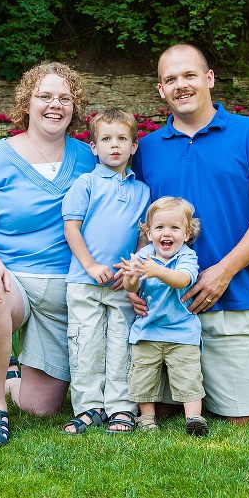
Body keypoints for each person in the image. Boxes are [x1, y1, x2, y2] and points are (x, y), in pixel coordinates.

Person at [130, 44, 249, 425]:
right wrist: (136, 278)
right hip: (165, 310)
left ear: (209, 79)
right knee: (162, 410)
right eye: (171, 79)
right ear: (160, 90)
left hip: (232, 300)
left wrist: (224, 271)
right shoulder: (147, 148)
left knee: (239, 418)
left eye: (189, 75)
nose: (181, 85)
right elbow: (141, 222)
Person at [0, 61, 96, 446]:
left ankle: (8, 370)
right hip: (7, 273)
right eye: (45, 96)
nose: (55, 105)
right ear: (27, 102)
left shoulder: (90, 157)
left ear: (75, 106)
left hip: (63, 288)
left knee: (42, 407)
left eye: (65, 98)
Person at [60, 107, 151, 435]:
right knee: (86, 345)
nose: (115, 145)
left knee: (120, 345)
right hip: (84, 283)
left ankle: (121, 408)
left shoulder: (142, 191)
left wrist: (131, 274)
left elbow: (143, 238)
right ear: (94, 147)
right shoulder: (85, 184)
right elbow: (72, 229)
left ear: (133, 146)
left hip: (120, 286)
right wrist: (91, 265)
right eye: (106, 139)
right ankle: (88, 407)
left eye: (122, 139)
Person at [119, 196, 209, 436]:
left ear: (187, 233)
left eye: (174, 227)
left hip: (182, 332)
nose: (166, 233)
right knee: (143, 375)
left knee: (188, 375)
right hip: (147, 330)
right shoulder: (143, 256)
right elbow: (131, 288)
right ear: (148, 233)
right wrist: (130, 275)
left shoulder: (187, 256)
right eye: (159, 227)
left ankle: (194, 418)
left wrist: (158, 270)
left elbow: (183, 279)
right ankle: (147, 418)